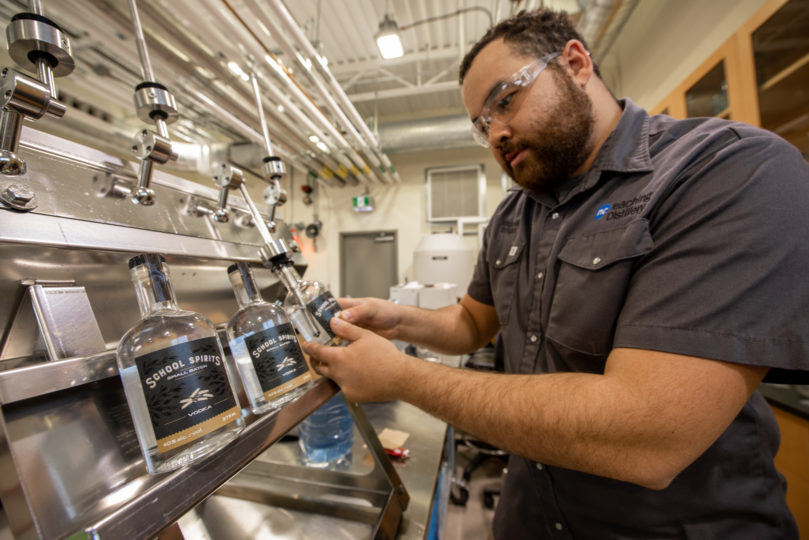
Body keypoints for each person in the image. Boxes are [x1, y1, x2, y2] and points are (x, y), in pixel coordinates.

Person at [302, 8, 809, 539]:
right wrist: (397, 320)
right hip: (529, 518)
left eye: (505, 99)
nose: (496, 133)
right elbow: (473, 323)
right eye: (482, 124)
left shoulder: (724, 172)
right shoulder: (512, 215)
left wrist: (401, 377)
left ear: (575, 63)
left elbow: (649, 435)